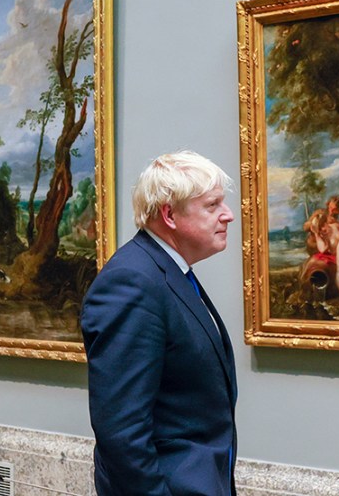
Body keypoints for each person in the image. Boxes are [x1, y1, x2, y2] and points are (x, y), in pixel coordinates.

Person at [81, 151, 238, 496]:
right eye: (212, 205)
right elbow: (122, 434)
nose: (228, 215)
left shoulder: (168, 272)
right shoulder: (131, 282)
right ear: (169, 214)